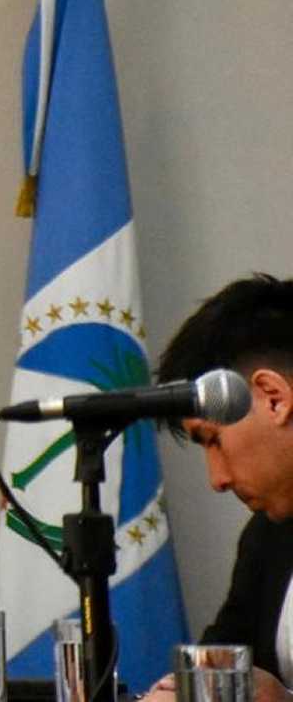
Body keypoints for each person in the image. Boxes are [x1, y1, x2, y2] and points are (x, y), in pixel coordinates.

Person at [141, 275, 293, 702]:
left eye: (213, 440)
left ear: (273, 398)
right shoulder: (269, 534)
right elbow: (217, 663)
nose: (217, 479)